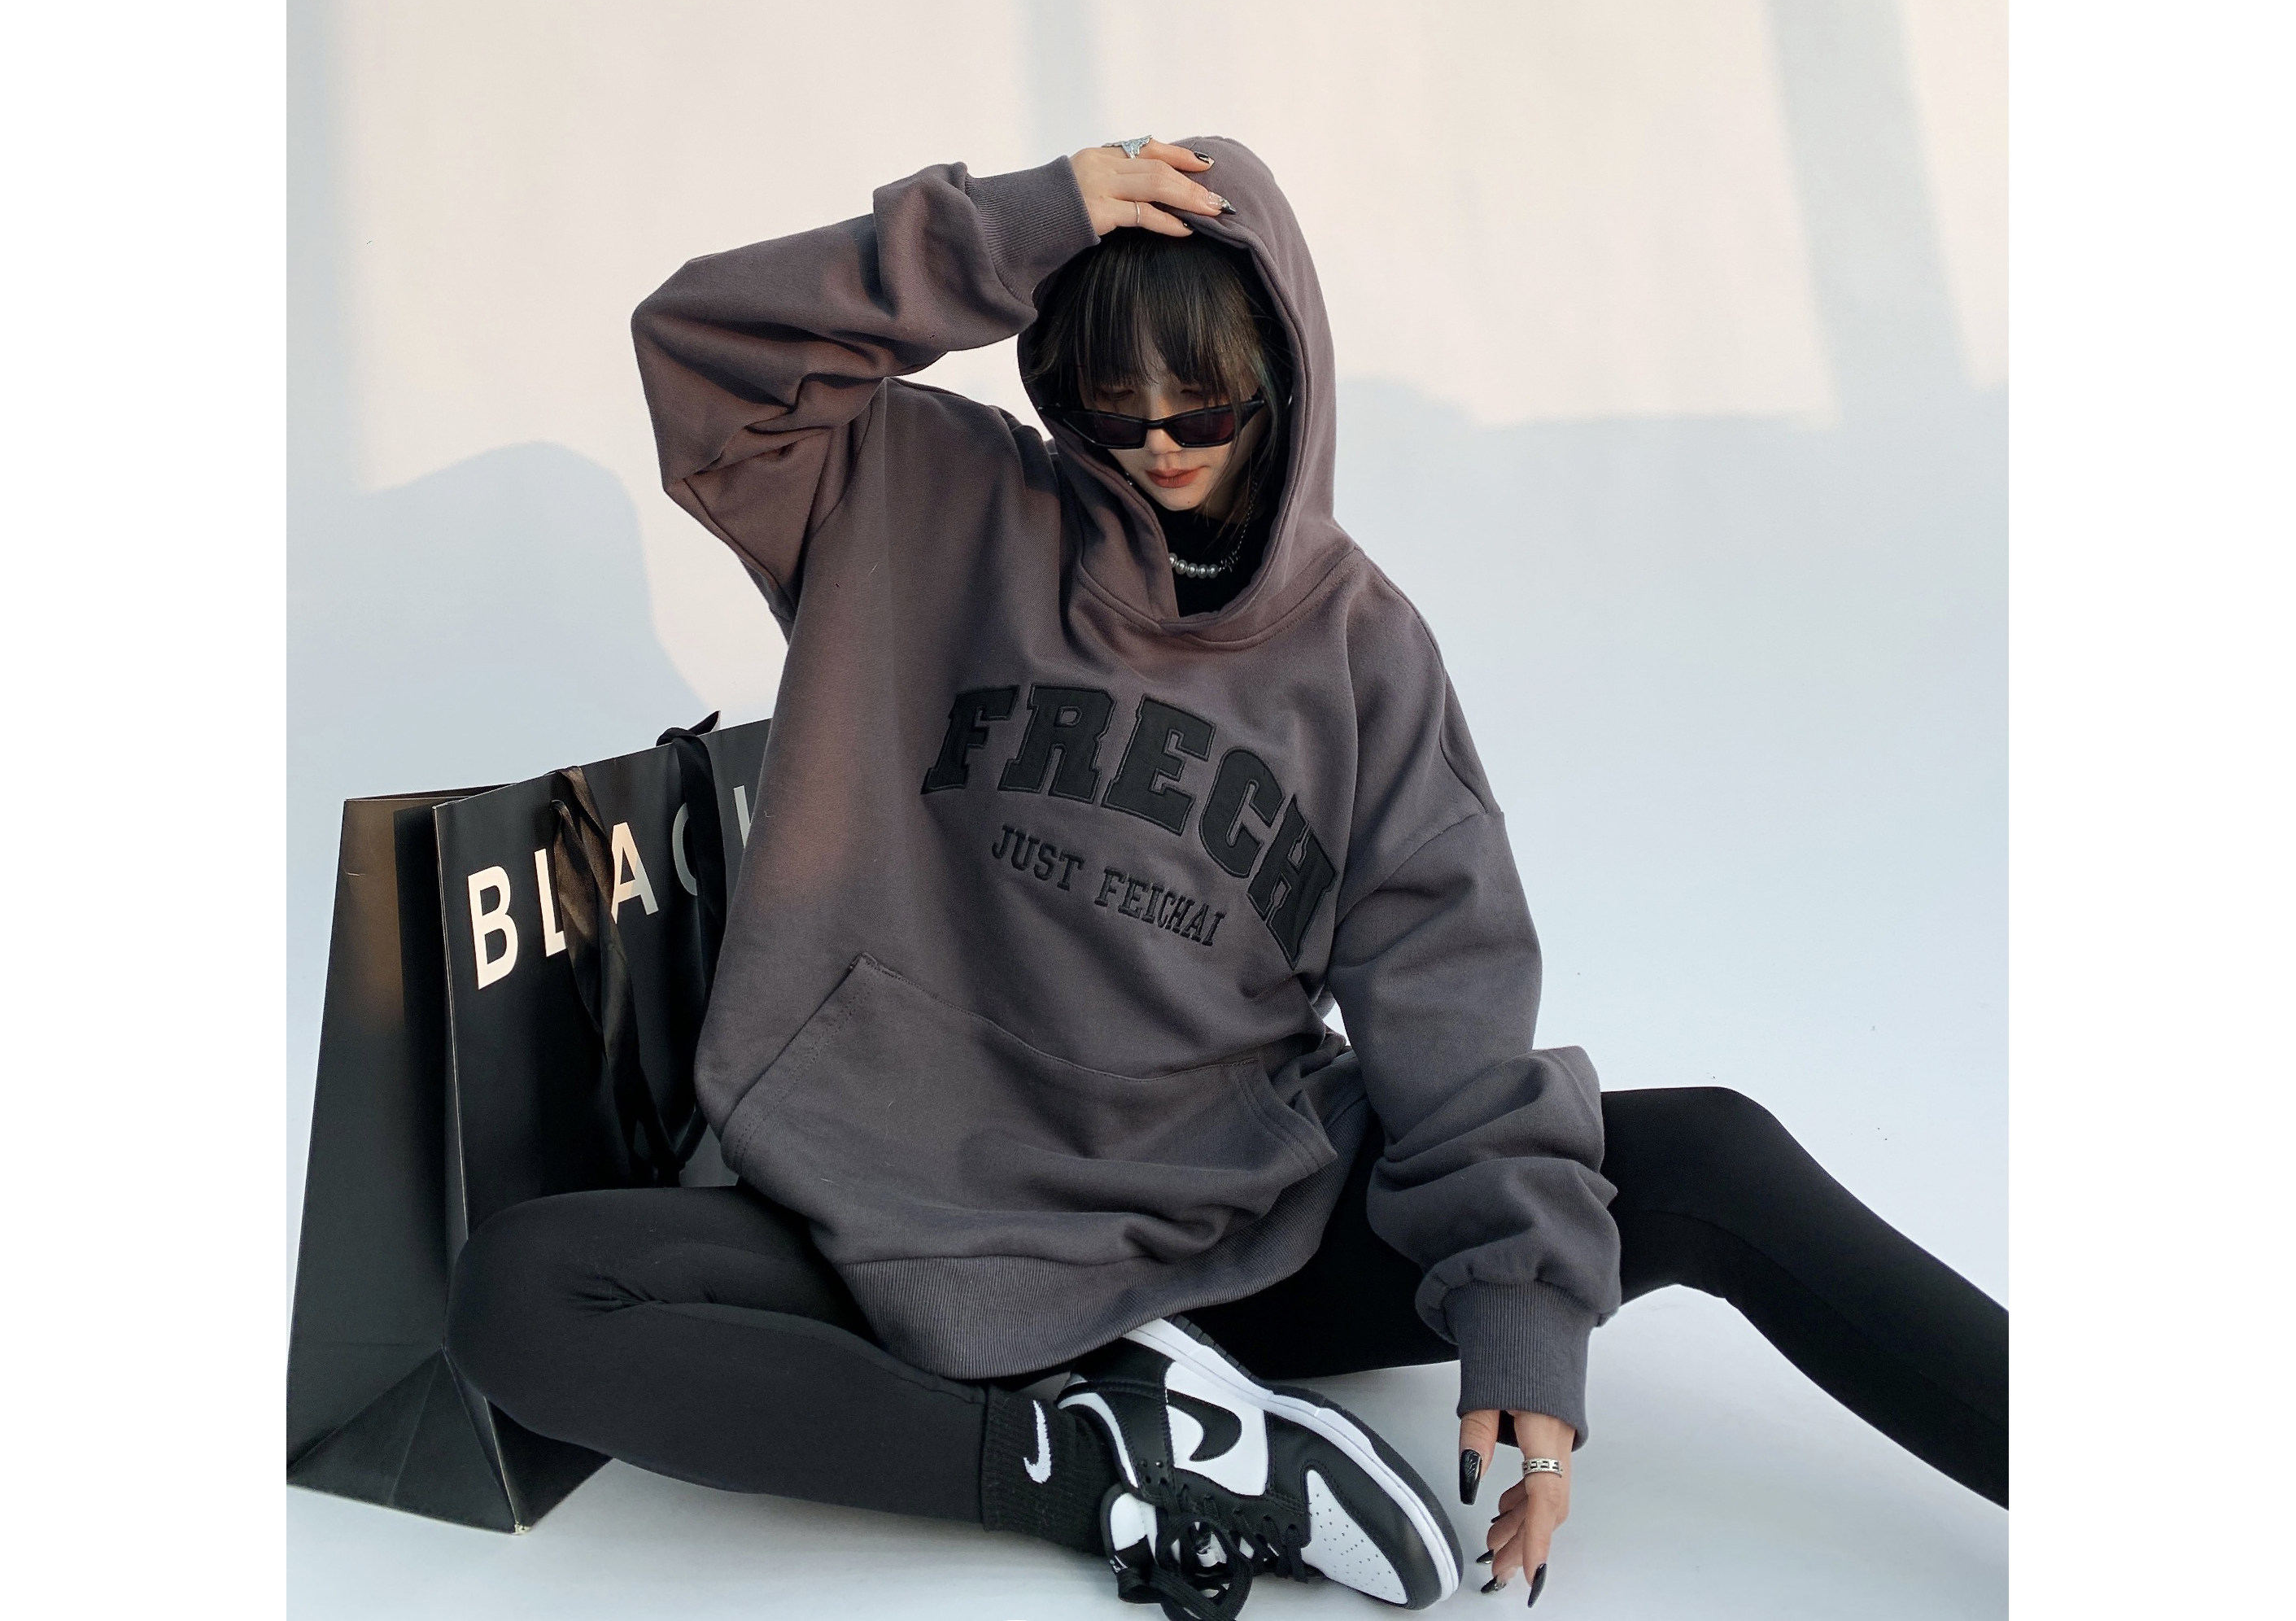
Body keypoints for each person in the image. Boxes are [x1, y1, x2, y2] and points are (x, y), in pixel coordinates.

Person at [446, 138, 2007, 1617]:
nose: (1159, 446)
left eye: (1202, 404)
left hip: (1225, 1232)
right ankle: (1094, 1463)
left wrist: (1523, 1316)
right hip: (893, 1205)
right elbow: (704, 352)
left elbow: (1448, 1006)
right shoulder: (910, 499)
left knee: (1710, 1154)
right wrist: (1017, 221)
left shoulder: (1364, 653)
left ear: (1284, 374)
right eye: (1109, 406)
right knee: (524, 1296)